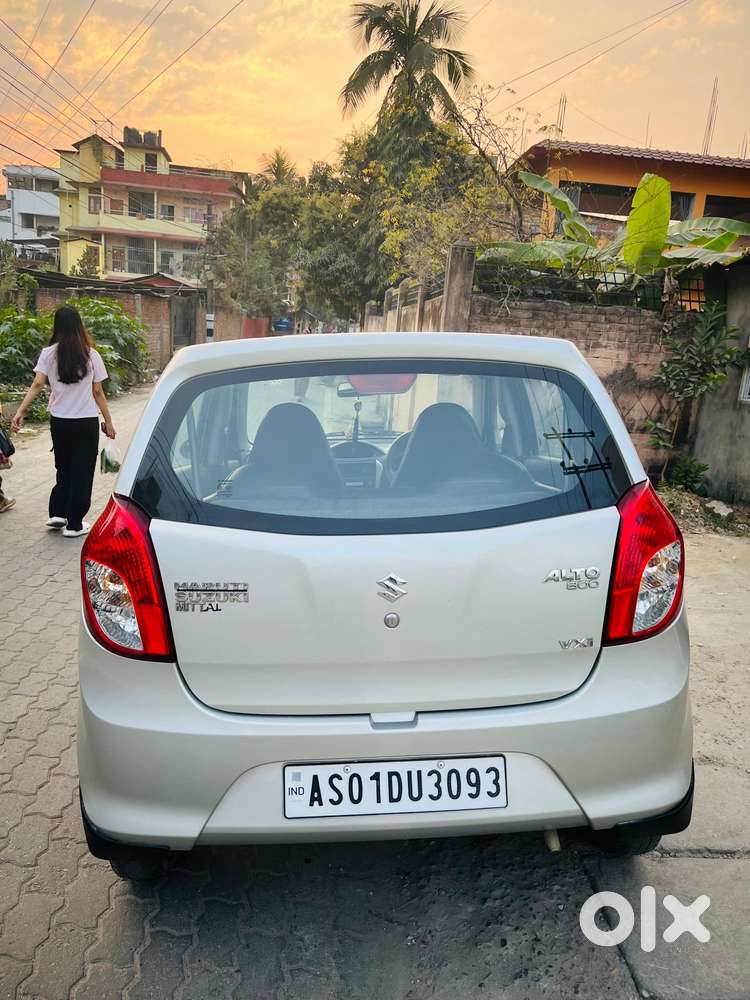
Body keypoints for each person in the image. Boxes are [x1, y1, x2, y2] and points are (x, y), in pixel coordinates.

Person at [11, 305, 116, 538]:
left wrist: (20, 410)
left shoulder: (49, 353)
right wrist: (108, 421)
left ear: (56, 326)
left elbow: (38, 384)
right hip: (85, 422)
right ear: (79, 326)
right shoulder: (91, 355)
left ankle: (58, 512)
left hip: (60, 422)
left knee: (64, 467)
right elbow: (98, 392)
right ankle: (75, 524)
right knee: (82, 470)